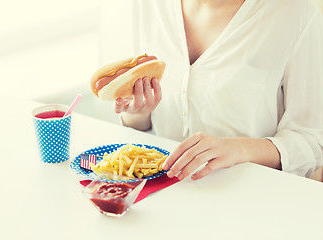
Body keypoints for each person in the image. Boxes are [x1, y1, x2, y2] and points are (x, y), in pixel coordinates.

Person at [113, 0, 323, 180]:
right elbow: (142, 127)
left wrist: (239, 149)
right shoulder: (147, 5)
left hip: (252, 201)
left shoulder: (295, 11)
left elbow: (312, 142)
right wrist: (138, 113)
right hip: (161, 193)